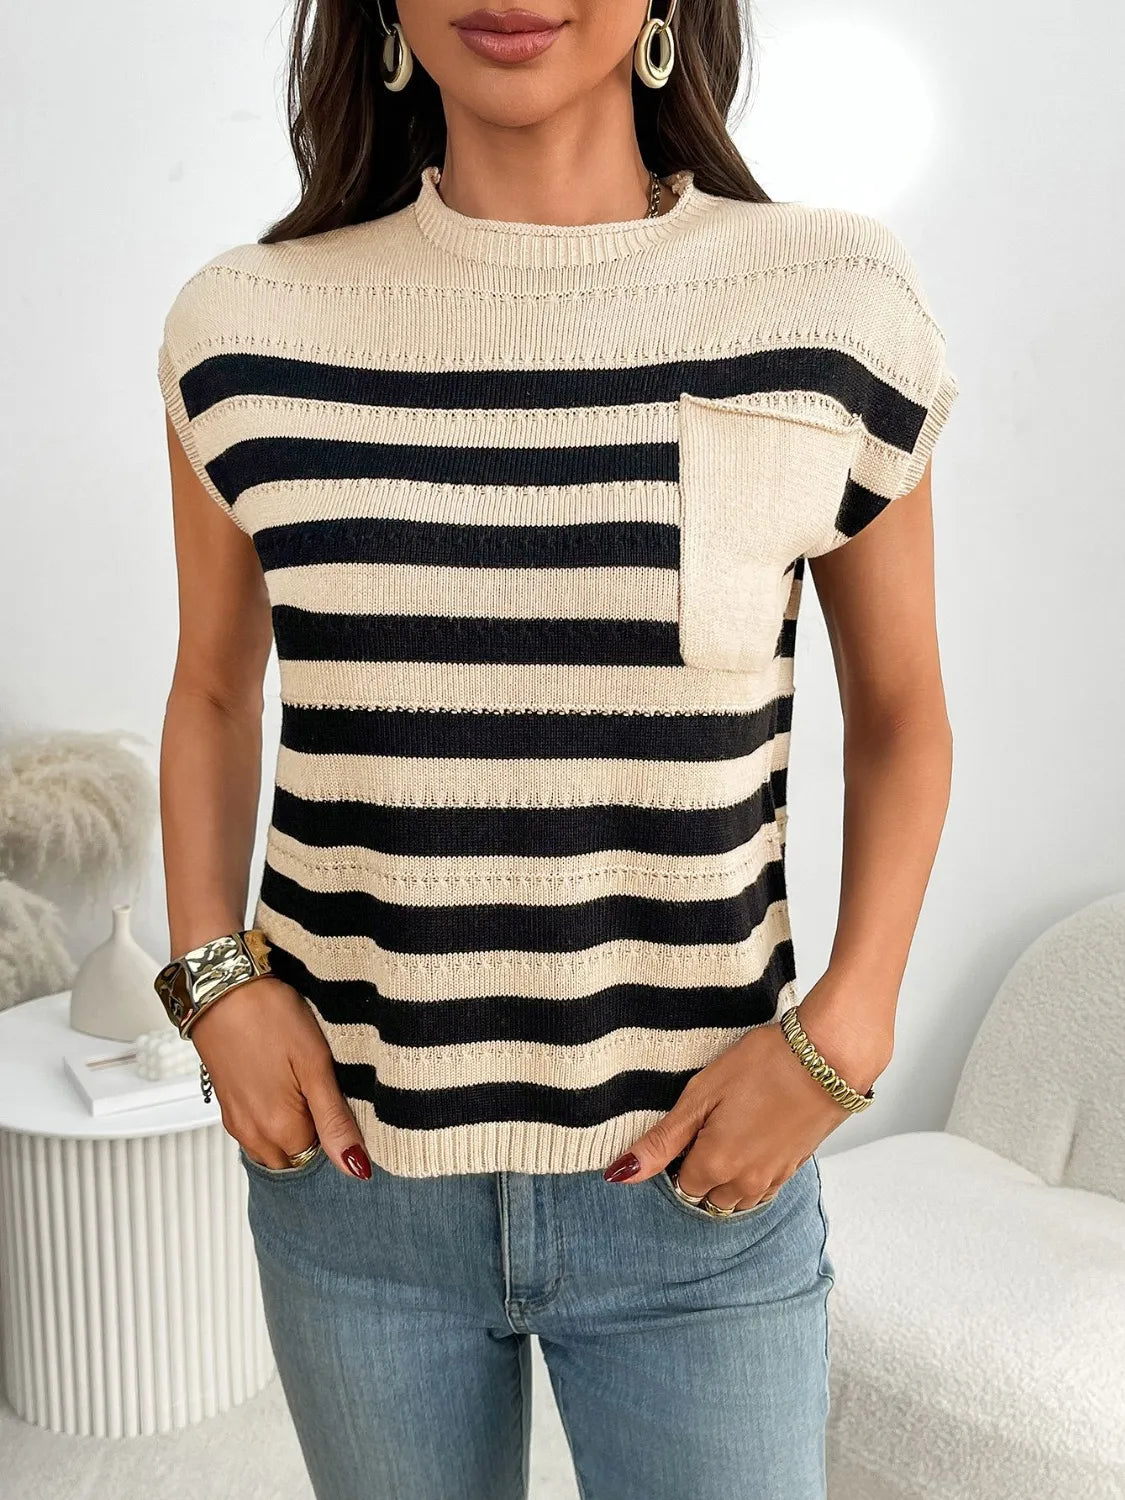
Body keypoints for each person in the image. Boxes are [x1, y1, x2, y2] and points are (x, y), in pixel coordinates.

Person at [152, 2, 958, 1496]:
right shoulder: (247, 327)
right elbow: (212, 690)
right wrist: (213, 980)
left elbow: (903, 710)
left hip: (697, 1178)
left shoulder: (828, 303)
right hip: (355, 1185)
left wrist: (849, 1025)